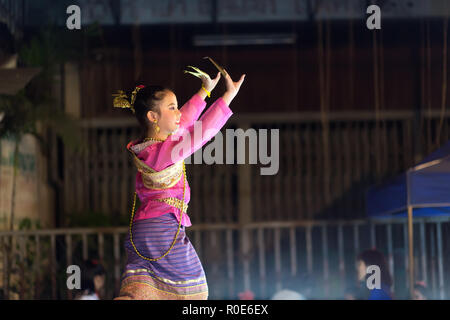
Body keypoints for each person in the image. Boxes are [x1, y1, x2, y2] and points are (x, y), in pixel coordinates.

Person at [113, 60, 245, 300]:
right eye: (172, 107)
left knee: (140, 294)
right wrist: (227, 97)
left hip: (145, 230)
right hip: (162, 229)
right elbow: (201, 132)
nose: (178, 112)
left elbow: (183, 123)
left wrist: (204, 91)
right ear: (153, 116)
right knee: (194, 294)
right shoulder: (165, 151)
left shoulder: (151, 149)